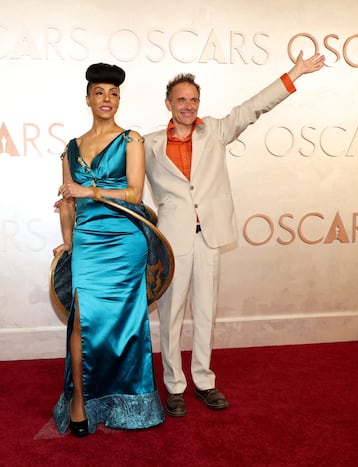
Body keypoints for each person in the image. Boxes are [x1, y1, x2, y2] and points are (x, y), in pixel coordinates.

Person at [144, 51, 325, 417]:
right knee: (171, 313)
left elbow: (253, 108)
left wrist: (295, 73)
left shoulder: (215, 129)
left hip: (209, 235)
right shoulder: (146, 144)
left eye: (194, 99)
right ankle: (174, 386)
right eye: (181, 99)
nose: (189, 106)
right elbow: (122, 182)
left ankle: (204, 382)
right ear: (168, 103)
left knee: (206, 312)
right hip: (172, 241)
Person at [52, 63, 165, 437]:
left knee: (126, 324)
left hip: (124, 240)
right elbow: (67, 202)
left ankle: (127, 399)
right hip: (87, 241)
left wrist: (90, 191)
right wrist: (67, 244)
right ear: (88, 98)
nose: (107, 99)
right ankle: (80, 402)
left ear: (119, 99)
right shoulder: (71, 148)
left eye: (113, 93)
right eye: (99, 92)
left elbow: (134, 193)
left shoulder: (132, 139)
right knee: (82, 319)